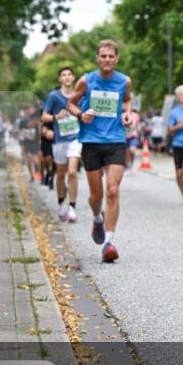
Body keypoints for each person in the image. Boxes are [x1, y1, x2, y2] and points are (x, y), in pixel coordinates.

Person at [66, 40, 133, 263]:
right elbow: (71, 104)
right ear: (97, 58)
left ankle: (108, 243)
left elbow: (127, 101)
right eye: (103, 56)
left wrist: (127, 114)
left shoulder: (124, 81)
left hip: (115, 140)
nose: (107, 60)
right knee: (96, 197)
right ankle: (97, 218)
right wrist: (80, 115)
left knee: (112, 190)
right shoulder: (87, 80)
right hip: (92, 141)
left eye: (111, 56)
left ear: (116, 59)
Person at [42, 66, 82, 222]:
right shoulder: (54, 97)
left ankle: (72, 207)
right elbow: (44, 117)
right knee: (60, 174)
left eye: (69, 75)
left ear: (73, 78)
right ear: (60, 79)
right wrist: (56, 117)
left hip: (75, 138)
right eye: (63, 75)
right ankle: (62, 203)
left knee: (72, 172)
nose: (66, 77)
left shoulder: (79, 95)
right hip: (59, 140)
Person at [124, 105, 142, 172]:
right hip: (124, 136)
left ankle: (131, 163)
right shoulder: (123, 114)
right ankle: (127, 165)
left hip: (133, 135)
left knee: (132, 150)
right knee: (126, 152)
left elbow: (138, 123)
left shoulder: (136, 115)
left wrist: (139, 128)